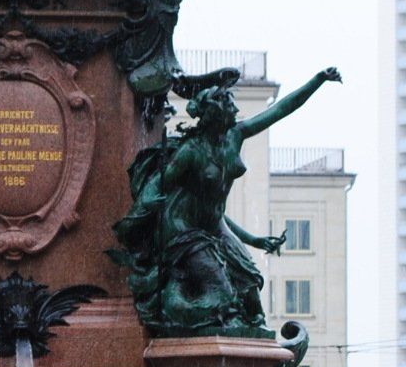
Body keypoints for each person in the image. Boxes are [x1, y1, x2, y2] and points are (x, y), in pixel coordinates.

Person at [114, 69, 340, 332]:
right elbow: (157, 186)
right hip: (183, 231)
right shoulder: (190, 151)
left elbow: (280, 110)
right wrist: (135, 221)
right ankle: (191, 326)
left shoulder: (235, 136)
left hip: (213, 227)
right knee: (221, 294)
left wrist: (317, 81)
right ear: (213, 113)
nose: (234, 109)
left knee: (250, 286)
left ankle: (246, 343)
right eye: (229, 105)